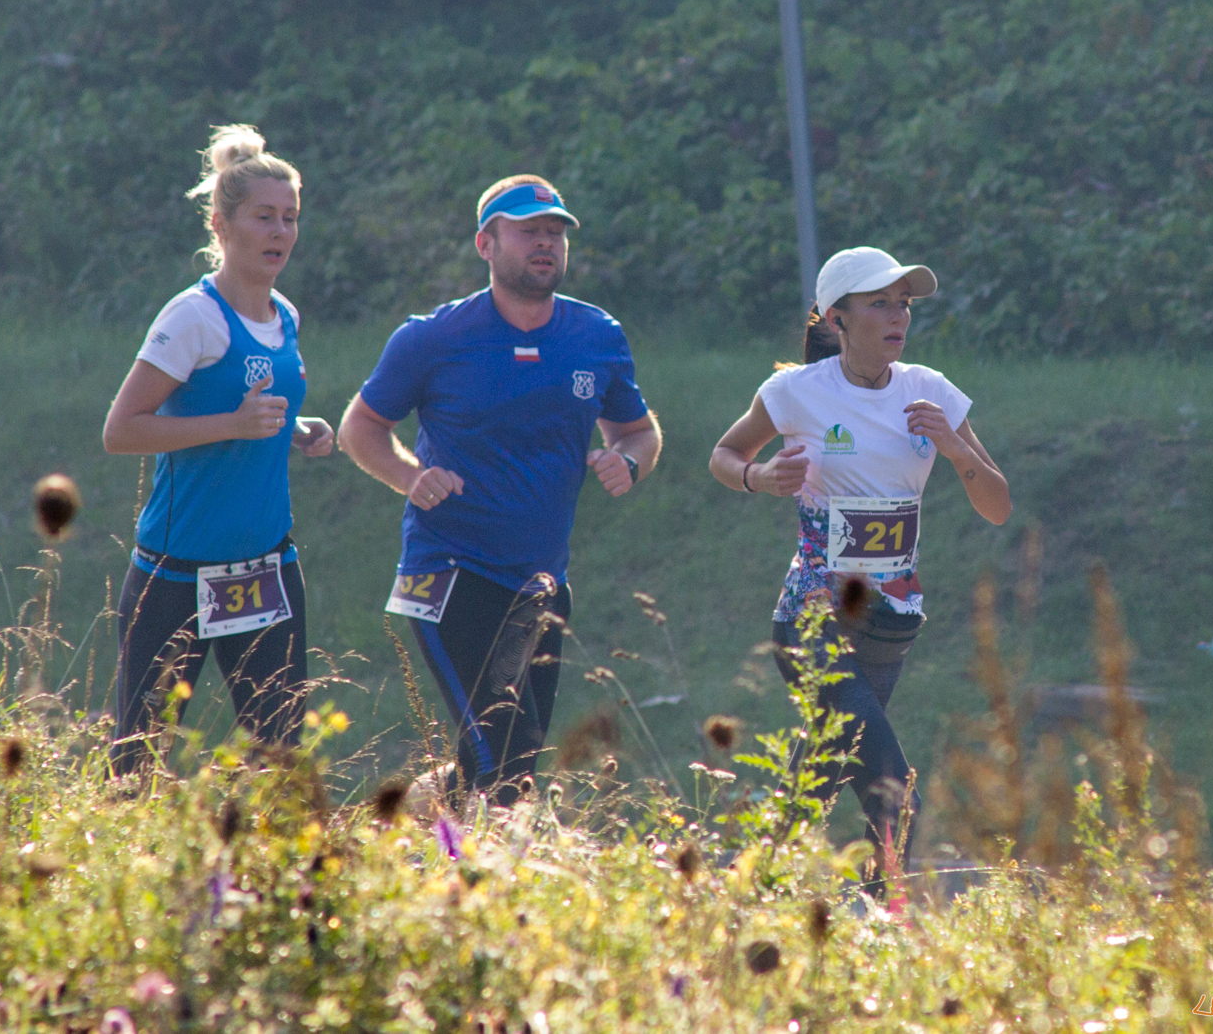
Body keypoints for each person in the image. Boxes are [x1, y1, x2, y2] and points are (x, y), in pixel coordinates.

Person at [338, 175, 662, 808]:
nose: (545, 244)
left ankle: (405, 825)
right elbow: (362, 427)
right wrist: (412, 477)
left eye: (554, 233)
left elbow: (639, 431)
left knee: (506, 758)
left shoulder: (596, 336)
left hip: (541, 581)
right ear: (486, 243)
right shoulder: (432, 338)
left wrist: (628, 459)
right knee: (502, 762)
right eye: (528, 232)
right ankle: (479, 889)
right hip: (449, 571)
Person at [708, 246, 1010, 869]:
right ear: (836, 318)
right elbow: (725, 455)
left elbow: (998, 506)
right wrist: (760, 477)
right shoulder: (795, 392)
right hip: (812, 619)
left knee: (821, 771)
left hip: (891, 620)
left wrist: (955, 448)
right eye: (880, 304)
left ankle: (759, 890)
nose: (898, 316)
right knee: (890, 785)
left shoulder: (931, 392)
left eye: (903, 304)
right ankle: (902, 911)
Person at [101, 125, 335, 772]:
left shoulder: (285, 315)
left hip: (264, 568)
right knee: (137, 760)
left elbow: (254, 416)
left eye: (290, 218)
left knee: (282, 760)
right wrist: (233, 424)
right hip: (177, 572)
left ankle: (276, 875)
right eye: (264, 217)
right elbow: (122, 430)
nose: (280, 233)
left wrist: (299, 427)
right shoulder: (191, 318)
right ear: (221, 224)